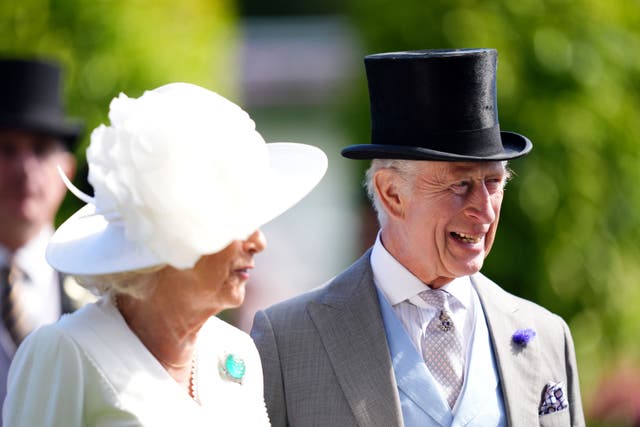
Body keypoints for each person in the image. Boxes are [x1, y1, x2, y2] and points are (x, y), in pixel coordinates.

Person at [251, 49, 585, 426]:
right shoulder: (288, 340)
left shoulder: (547, 335)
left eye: (494, 182)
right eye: (460, 184)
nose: (486, 210)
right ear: (392, 193)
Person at [2, 82, 327, 426]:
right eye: (236, 222)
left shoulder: (235, 349)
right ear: (172, 232)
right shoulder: (64, 350)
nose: (258, 242)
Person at [0, 58, 94, 412]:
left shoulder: (103, 284)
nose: (24, 170)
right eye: (7, 149)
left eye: (40, 150)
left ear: (66, 170)